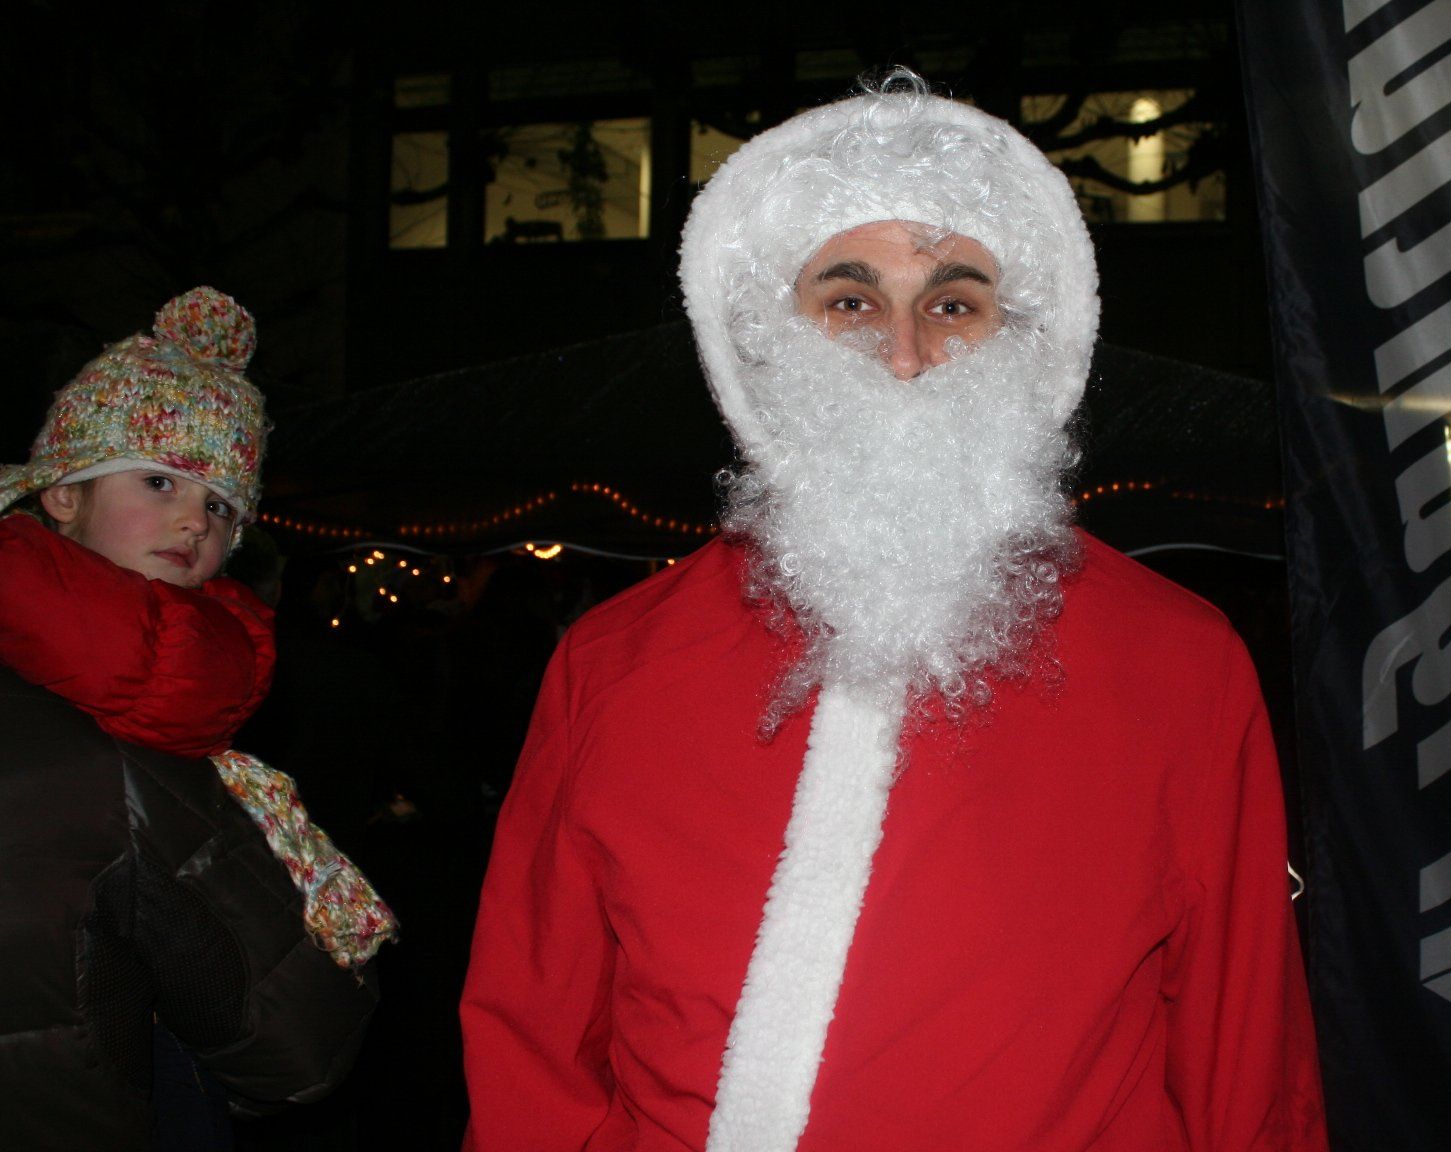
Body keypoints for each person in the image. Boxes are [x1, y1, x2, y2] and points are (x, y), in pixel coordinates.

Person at [461, 74, 1328, 1151]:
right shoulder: (615, 662)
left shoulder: (1177, 662)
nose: (906, 354)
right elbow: (533, 1042)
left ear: (1026, 339)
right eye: (851, 302)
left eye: (953, 304)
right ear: (765, 342)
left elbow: (1244, 1052)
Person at [0, 287, 394, 1149]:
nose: (194, 518)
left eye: (219, 505)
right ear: (61, 493)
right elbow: (297, 1047)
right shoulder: (119, 739)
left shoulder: (148, 699)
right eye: (159, 480)